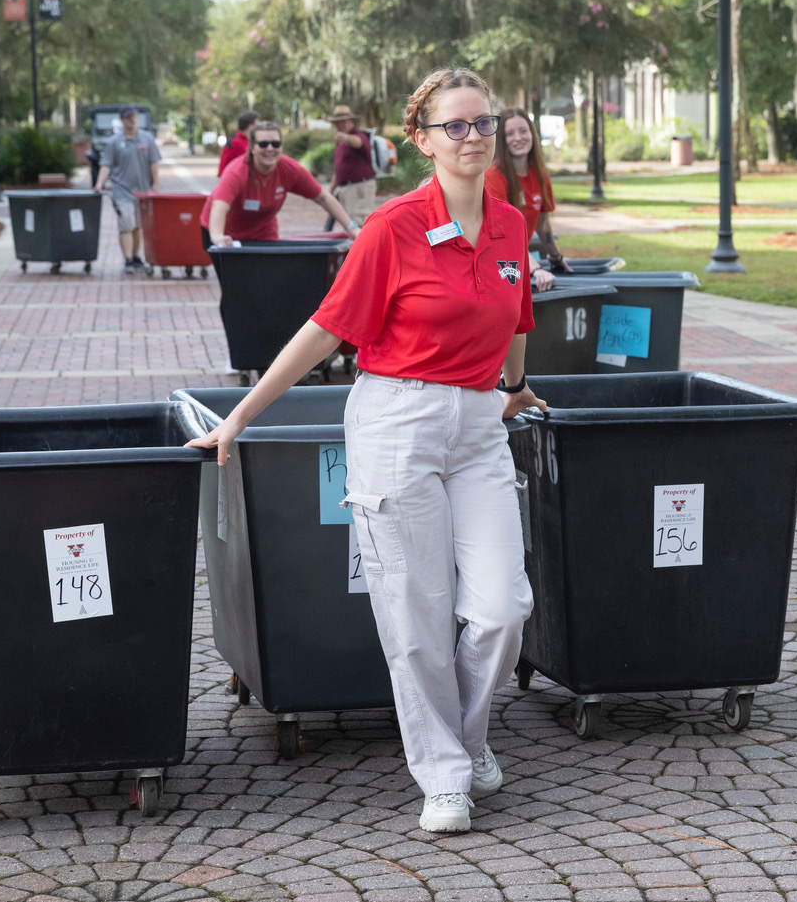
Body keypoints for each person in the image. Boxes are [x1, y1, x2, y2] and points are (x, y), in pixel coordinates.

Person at [187, 68, 541, 834]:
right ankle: (445, 774)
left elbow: (516, 316)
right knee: (415, 613)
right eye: (457, 126)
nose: (475, 137)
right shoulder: (392, 227)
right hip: (397, 420)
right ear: (421, 139)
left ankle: (468, 742)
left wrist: (514, 386)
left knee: (502, 606)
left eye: (485, 122)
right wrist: (240, 416)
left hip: (479, 428)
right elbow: (326, 329)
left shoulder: (510, 224)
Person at [199, 120, 360, 247]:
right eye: (263, 144)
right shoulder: (236, 172)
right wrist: (217, 237)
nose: (270, 148)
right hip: (225, 233)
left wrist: (351, 228)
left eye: (275, 144)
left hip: (262, 234)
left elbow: (323, 198)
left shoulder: (289, 169)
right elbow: (219, 206)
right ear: (252, 148)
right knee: (234, 286)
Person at [484, 106, 571, 278]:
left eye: (523, 131)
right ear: (501, 139)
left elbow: (542, 223)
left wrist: (555, 257)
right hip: (494, 266)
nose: (518, 138)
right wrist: (536, 269)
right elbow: (503, 236)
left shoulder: (540, 175)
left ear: (532, 134)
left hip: (517, 261)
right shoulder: (493, 178)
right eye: (510, 134)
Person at [93, 106, 161, 274]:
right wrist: (99, 182)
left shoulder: (146, 139)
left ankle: (136, 257)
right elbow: (106, 164)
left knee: (138, 226)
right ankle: (128, 259)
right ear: (122, 120)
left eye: (134, 117)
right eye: (129, 118)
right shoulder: (115, 142)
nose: (133, 120)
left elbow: (154, 164)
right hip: (121, 190)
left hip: (142, 192)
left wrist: (155, 185)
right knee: (127, 224)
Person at [327, 104, 375, 228]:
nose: (340, 125)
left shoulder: (358, 136)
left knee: (361, 222)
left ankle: (367, 247)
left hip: (359, 187)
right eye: (337, 123)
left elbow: (358, 142)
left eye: (343, 122)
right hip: (345, 189)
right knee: (350, 224)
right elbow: (338, 169)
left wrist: (347, 138)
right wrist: (330, 190)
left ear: (351, 122)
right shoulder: (341, 142)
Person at [217, 110, 260, 177]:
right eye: (257, 125)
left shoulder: (242, 141)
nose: (259, 128)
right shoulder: (237, 143)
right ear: (250, 126)